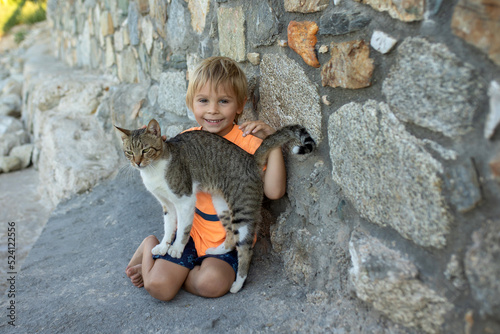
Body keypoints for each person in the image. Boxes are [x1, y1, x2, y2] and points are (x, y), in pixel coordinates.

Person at [125, 56, 286, 301]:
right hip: (191, 234)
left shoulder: (250, 143)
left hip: (225, 242)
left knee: (211, 285)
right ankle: (151, 245)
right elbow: (164, 168)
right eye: (203, 101)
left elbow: (274, 192)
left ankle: (165, 266)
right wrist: (157, 148)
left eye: (223, 101)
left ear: (240, 105)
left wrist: (273, 143)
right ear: (191, 104)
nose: (212, 109)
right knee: (158, 287)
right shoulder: (187, 138)